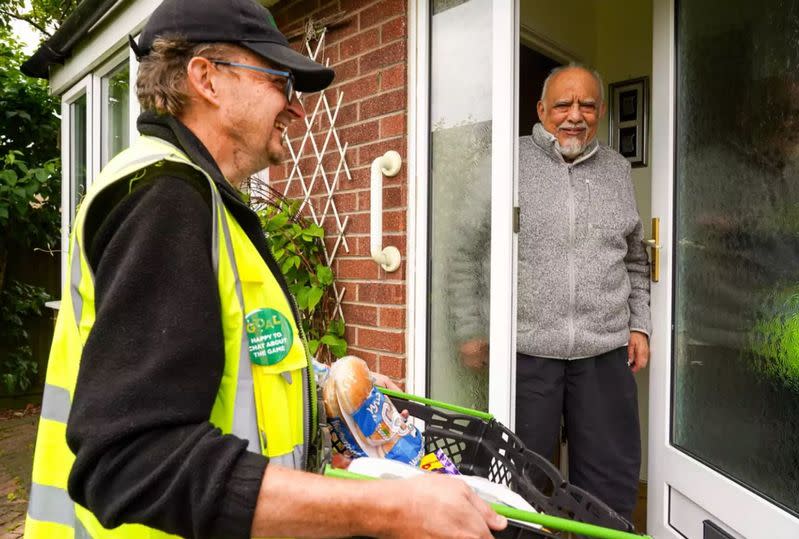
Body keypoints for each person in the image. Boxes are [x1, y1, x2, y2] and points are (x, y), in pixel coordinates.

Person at [24, 1, 507, 538]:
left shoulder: (200, 199)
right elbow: (132, 460)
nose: (296, 109)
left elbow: (222, 368)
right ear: (206, 78)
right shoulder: (165, 199)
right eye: (280, 81)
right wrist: (389, 508)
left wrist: (316, 385)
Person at [457, 65, 651, 523]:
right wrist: (470, 326)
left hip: (604, 350)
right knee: (522, 484)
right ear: (541, 110)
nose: (574, 116)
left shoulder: (618, 170)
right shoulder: (507, 160)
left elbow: (635, 259)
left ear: (600, 112)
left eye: (586, 105)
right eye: (563, 104)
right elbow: (466, 251)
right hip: (526, 350)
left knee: (609, 485)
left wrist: (639, 323)